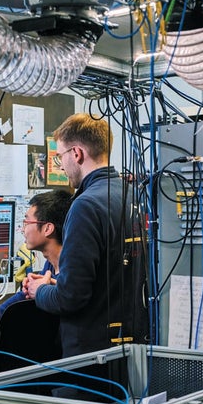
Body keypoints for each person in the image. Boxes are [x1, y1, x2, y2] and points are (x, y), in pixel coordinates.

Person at [24, 113, 136, 358]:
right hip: (129, 344)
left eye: (60, 156)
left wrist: (39, 290)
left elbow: (70, 298)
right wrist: (55, 282)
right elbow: (107, 275)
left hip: (91, 354)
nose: (61, 166)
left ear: (76, 154)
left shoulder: (85, 205)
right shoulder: (131, 195)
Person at [0, 190, 71, 316]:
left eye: (27, 222)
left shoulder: (70, 274)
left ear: (47, 229)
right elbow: (22, 298)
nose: (22, 229)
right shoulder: (50, 264)